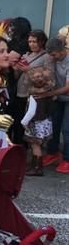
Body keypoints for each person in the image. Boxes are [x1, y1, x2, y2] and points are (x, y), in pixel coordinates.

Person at [12, 30, 54, 148]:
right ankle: (19, 147)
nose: (32, 44)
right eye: (30, 41)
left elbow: (48, 77)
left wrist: (29, 70)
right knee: (19, 121)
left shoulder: (47, 57)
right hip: (21, 92)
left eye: (35, 41)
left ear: (41, 42)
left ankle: (32, 150)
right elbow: (17, 76)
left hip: (35, 94)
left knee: (32, 124)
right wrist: (16, 68)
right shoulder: (26, 55)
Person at [39, 39, 69, 174]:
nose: (52, 58)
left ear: (62, 50)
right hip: (57, 98)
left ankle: (67, 159)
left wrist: (49, 93)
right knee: (53, 125)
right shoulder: (52, 59)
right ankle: (53, 152)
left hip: (66, 96)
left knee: (67, 129)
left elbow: (68, 88)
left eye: (55, 55)